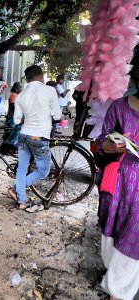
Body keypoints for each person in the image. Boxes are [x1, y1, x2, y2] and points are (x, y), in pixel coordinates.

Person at [95, 72, 139, 300]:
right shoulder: (119, 107)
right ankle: (112, 276)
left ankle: (119, 293)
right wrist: (113, 146)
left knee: (134, 238)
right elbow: (103, 139)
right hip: (117, 183)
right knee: (110, 230)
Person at [8, 65, 61, 212]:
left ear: (26, 79)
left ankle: (22, 200)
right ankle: (17, 190)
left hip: (24, 135)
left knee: (22, 168)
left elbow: (17, 120)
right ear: (42, 76)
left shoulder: (20, 96)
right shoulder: (50, 90)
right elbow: (57, 116)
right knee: (43, 171)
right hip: (39, 137)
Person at [2, 82, 22, 149]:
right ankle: (5, 149)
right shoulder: (14, 95)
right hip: (12, 119)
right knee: (10, 134)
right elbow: (14, 107)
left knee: (14, 134)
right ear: (16, 89)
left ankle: (10, 148)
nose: (21, 89)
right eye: (20, 87)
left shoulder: (17, 95)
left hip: (14, 118)